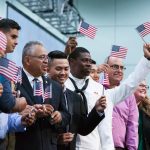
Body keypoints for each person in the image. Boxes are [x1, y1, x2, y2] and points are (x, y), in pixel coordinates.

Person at [65, 45, 150, 150]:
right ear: (72, 62)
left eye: (90, 61)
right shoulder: (61, 86)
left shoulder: (101, 90)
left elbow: (130, 84)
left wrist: (146, 60)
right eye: (84, 60)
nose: (88, 64)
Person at [15, 41, 70, 150]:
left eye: (47, 58)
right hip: (22, 145)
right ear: (27, 60)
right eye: (42, 58)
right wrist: (26, 113)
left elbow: (66, 115)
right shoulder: (14, 82)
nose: (46, 62)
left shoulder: (55, 86)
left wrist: (59, 116)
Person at [47, 50, 106, 150]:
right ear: (47, 69)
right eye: (58, 69)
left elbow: (83, 129)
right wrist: (57, 139)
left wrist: (97, 110)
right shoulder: (41, 93)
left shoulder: (76, 97)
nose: (63, 73)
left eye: (66, 69)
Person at [105, 56, 138, 150]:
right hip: (97, 145)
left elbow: (132, 125)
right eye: (115, 66)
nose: (119, 70)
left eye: (122, 67)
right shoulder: (97, 89)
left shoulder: (129, 95)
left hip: (119, 147)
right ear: (105, 68)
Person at [0, 18, 27, 113]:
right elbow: (7, 104)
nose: (16, 42)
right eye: (13, 37)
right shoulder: (3, 64)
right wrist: (22, 102)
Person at [134, 80, 150, 150]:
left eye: (146, 87)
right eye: (141, 85)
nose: (144, 88)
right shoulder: (123, 107)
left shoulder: (148, 109)